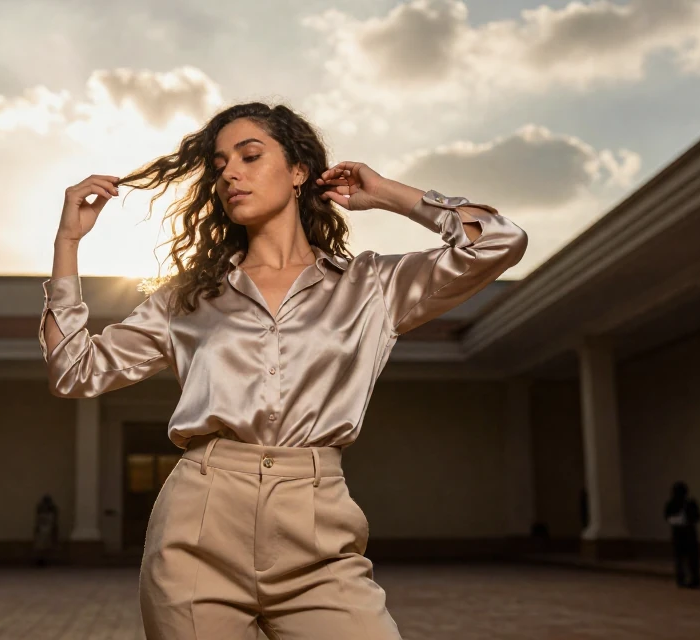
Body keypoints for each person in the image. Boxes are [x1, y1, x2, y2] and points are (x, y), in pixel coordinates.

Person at [40, 102, 527, 639]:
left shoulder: (370, 286)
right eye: (220, 163)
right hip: (200, 522)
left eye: (250, 155)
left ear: (299, 172)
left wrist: (387, 192)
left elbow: (500, 242)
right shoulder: (188, 298)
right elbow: (74, 371)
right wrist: (68, 245)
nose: (230, 172)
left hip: (318, 526)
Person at [664, 481, 700, 589]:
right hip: (686, 533)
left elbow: (666, 516)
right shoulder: (689, 503)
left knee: (682, 558)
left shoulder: (673, 504)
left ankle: (685, 579)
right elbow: (698, 516)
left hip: (681, 533)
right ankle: (691, 579)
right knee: (687, 558)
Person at [32, 494, 58, 567]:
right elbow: (38, 521)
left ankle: (44, 560)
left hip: (47, 530)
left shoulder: (51, 511)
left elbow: (53, 522)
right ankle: (40, 560)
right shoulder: (41, 510)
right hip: (42, 530)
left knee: (45, 546)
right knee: (40, 547)